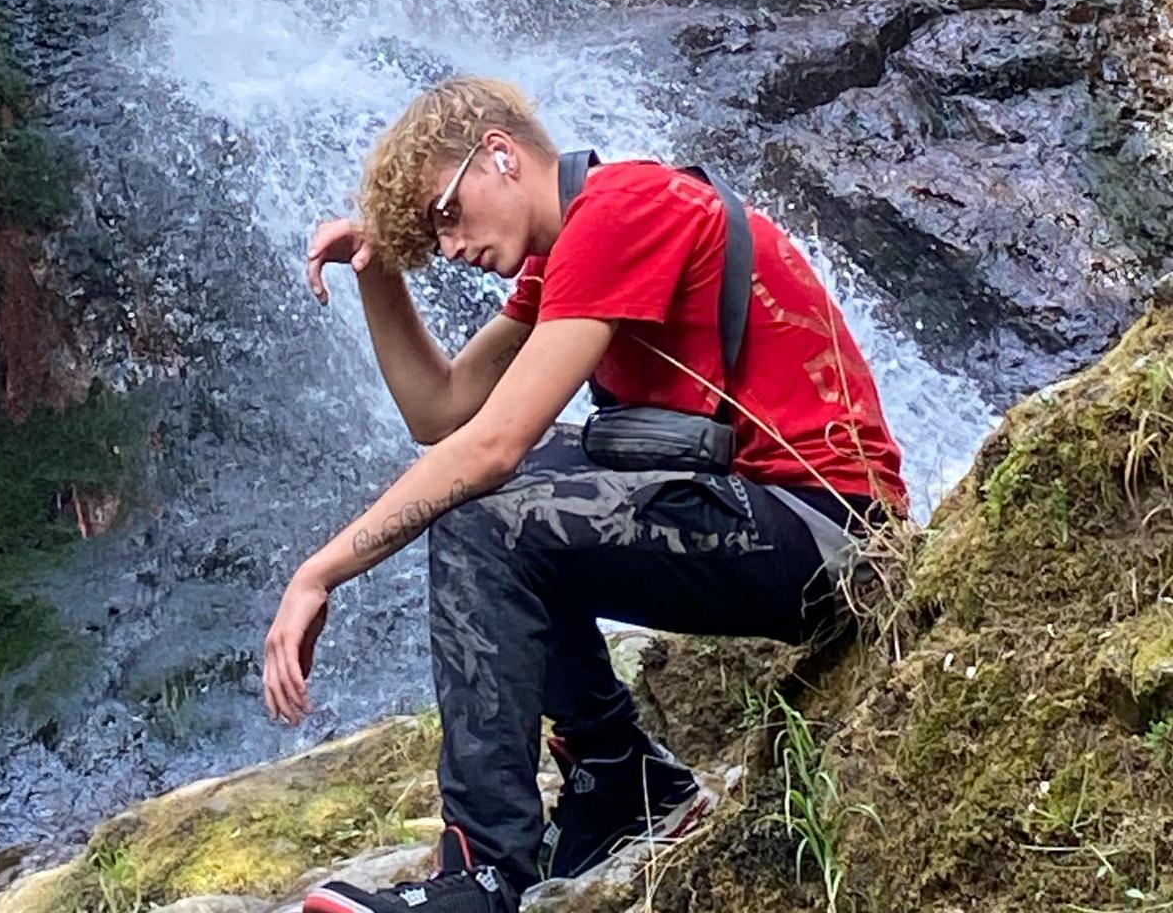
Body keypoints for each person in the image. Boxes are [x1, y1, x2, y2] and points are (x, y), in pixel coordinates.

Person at [260, 76, 906, 913]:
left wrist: (317, 573)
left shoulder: (623, 210)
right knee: (486, 496)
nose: (449, 247)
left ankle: (483, 876)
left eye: (446, 215)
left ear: (500, 155)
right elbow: (445, 412)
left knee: (489, 507)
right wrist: (377, 274)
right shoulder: (572, 252)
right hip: (761, 514)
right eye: (431, 235)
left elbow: (491, 447)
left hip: (832, 536)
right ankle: (621, 782)